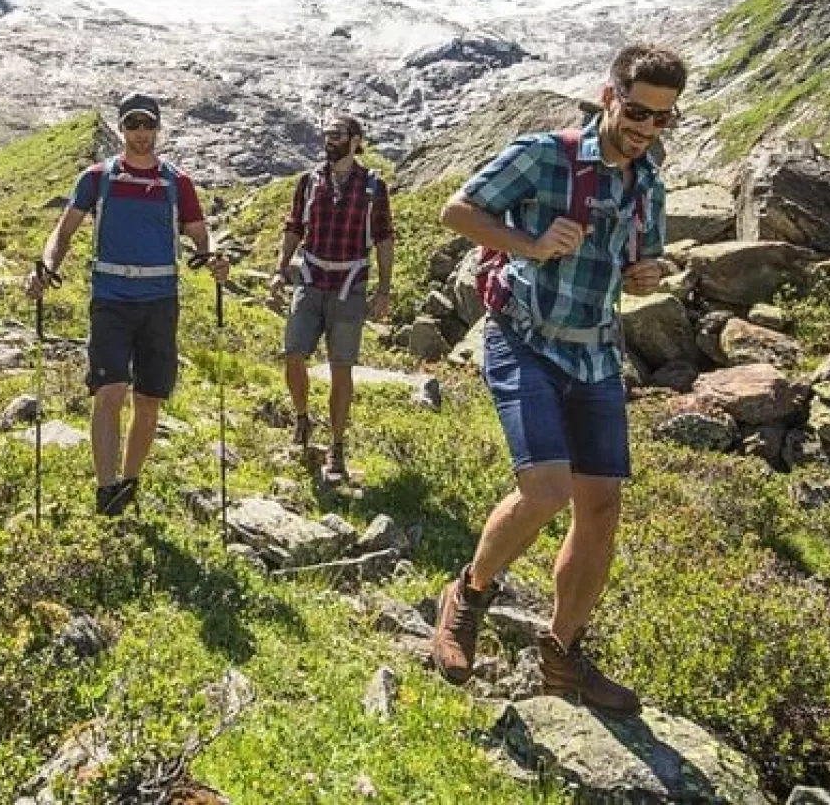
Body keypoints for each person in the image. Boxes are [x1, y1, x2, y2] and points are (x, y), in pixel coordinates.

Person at [428, 43, 686, 716]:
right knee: (543, 490)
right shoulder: (546, 153)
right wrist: (532, 244)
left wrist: (646, 274)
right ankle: (467, 596)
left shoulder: (648, 182)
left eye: (663, 119)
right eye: (637, 112)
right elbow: (457, 211)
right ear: (609, 96)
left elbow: (642, 258)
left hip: (597, 352)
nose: (646, 129)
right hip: (524, 337)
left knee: (600, 509)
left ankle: (561, 654)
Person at [26, 92, 228, 516]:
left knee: (150, 398)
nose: (141, 133)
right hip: (111, 298)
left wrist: (213, 259)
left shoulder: (178, 183)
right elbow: (62, 235)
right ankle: (106, 488)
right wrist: (45, 268)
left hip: (160, 300)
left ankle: (129, 482)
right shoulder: (96, 178)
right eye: (133, 125)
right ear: (122, 129)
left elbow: (198, 233)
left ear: (157, 128)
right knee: (110, 390)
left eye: (147, 125)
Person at [268, 114, 394, 481]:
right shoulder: (309, 182)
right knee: (293, 354)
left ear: (356, 140)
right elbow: (294, 227)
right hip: (310, 280)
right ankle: (302, 419)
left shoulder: (373, 186)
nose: (329, 140)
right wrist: (280, 269)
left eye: (337, 135)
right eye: (327, 134)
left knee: (342, 366)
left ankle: (337, 447)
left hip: (349, 287)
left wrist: (383, 289)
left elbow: (384, 238)